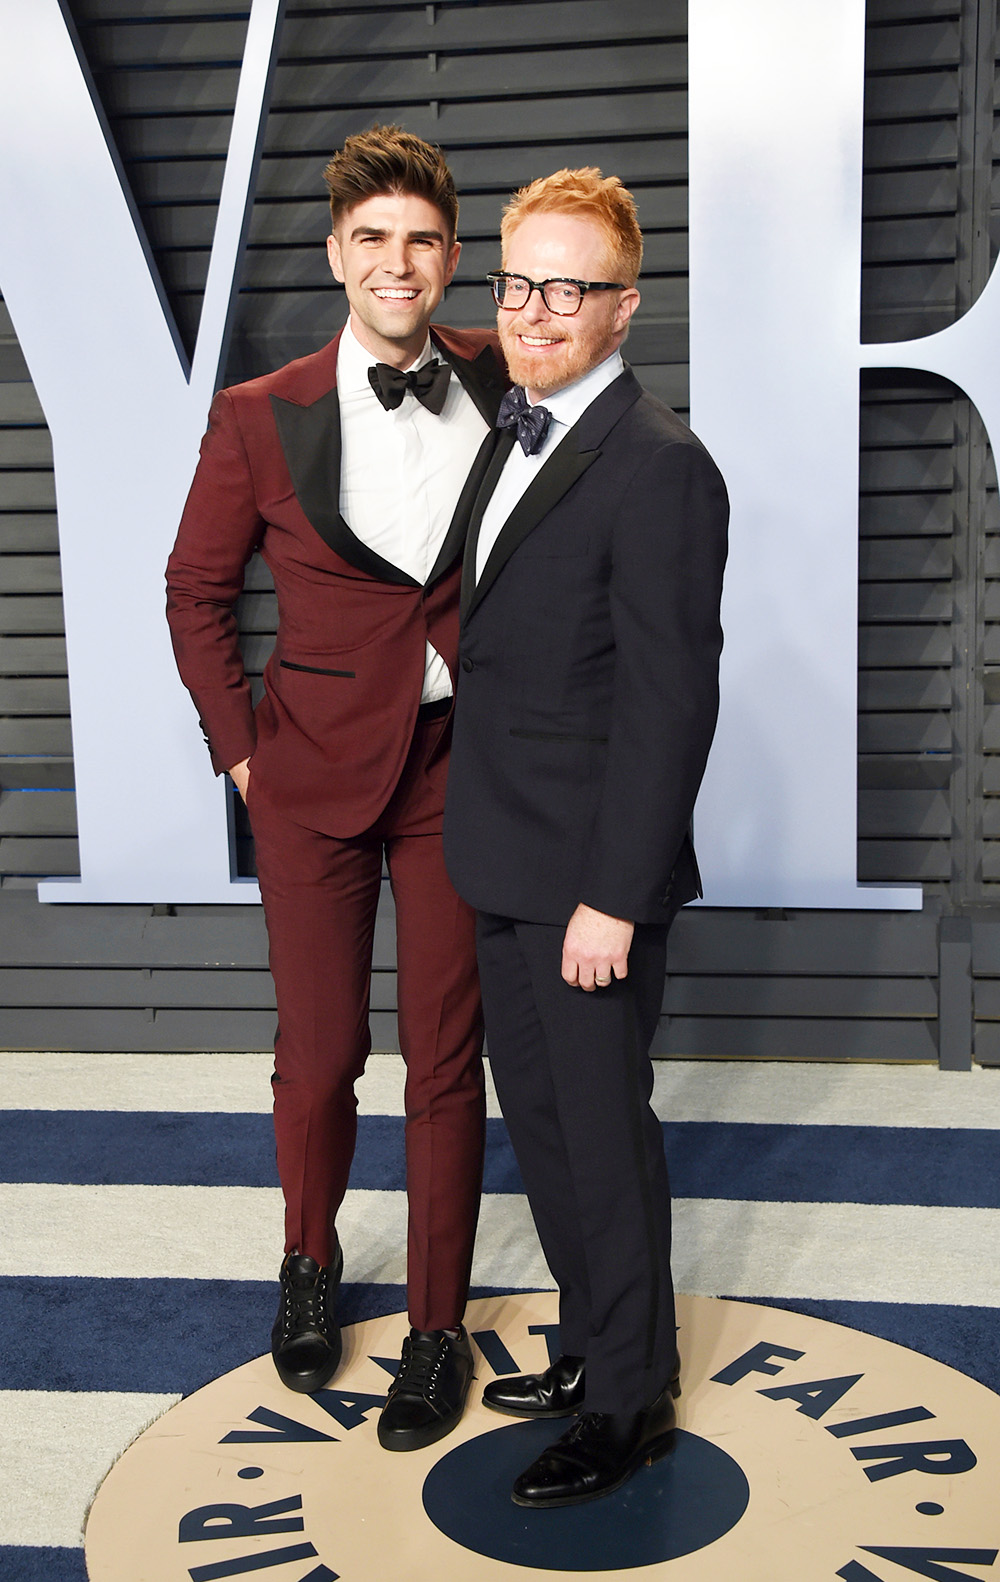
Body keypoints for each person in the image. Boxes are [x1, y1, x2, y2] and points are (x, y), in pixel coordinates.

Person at [166, 125, 507, 1453]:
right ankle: (309, 1263)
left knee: (445, 1057)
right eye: (374, 240)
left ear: (451, 257)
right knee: (318, 1056)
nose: (398, 262)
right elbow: (195, 593)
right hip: (306, 772)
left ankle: (435, 1325)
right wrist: (240, 754)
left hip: (457, 771)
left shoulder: (503, 383)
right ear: (336, 255)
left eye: (421, 239)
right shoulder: (261, 414)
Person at [443, 168, 729, 1506]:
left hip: (589, 886)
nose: (536, 311)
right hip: (502, 853)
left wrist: (615, 895)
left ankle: (629, 1402)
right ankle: (594, 1337)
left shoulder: (661, 466)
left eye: (570, 288)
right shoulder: (517, 429)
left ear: (625, 306)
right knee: (545, 1126)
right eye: (515, 284)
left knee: (602, 1136)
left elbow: (673, 701)